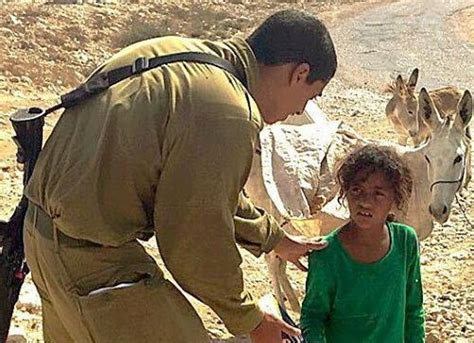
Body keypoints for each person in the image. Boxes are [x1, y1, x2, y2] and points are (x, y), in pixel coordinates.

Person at [22, 9, 338, 343]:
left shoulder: (179, 55)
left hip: (42, 239)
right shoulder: (229, 111)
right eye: (311, 96)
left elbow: (207, 194)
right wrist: (250, 319)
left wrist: (275, 240)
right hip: (92, 267)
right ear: (299, 74)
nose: (301, 111)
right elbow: (196, 246)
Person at [300, 144, 425, 342]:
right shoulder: (327, 254)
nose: (365, 201)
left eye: (378, 193)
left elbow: (413, 310)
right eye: (357, 189)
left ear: (395, 199)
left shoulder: (405, 242)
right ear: (345, 193)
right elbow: (313, 316)